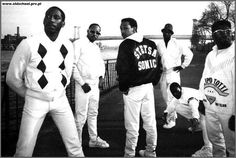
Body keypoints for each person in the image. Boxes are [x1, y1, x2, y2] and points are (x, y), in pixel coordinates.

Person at [6, 6, 84, 157]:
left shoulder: (67, 45)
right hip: (35, 102)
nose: (51, 20)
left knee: (75, 146)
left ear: (63, 23)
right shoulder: (28, 44)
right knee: (24, 150)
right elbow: (12, 78)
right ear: (43, 19)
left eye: (56, 17)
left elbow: (67, 72)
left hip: (61, 100)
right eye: (48, 16)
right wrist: (30, 94)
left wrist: (58, 90)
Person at [116, 17, 162, 157]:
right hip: (148, 88)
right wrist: (153, 81)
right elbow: (158, 66)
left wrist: (123, 87)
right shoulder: (151, 43)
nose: (122, 31)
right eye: (121, 28)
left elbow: (122, 69)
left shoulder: (125, 45)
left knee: (132, 125)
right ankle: (150, 151)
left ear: (134, 29)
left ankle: (129, 154)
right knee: (150, 122)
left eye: (125, 28)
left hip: (133, 89)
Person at [199, 19, 235, 157]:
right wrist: (202, 100)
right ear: (213, 36)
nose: (226, 34)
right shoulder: (210, 55)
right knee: (216, 142)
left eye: (228, 31)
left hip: (229, 109)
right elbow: (204, 78)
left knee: (233, 147)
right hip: (210, 105)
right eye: (221, 32)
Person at [73, 23, 109, 148]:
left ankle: (93, 140)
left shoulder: (96, 47)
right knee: (80, 116)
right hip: (84, 85)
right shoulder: (78, 44)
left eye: (97, 33)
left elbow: (101, 64)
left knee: (93, 113)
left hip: (94, 85)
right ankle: (76, 146)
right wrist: (82, 83)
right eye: (92, 31)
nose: (95, 34)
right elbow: (72, 65)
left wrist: (101, 77)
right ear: (88, 31)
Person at [156, 23, 193, 129]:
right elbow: (158, 58)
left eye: (168, 32)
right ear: (162, 32)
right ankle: (178, 116)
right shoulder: (159, 44)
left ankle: (172, 120)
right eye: (164, 32)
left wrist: (182, 66)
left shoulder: (177, 43)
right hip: (163, 73)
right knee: (165, 97)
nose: (166, 34)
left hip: (173, 73)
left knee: (173, 98)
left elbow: (189, 54)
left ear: (171, 33)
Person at [162, 82, 213, 157]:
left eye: (177, 93)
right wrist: (166, 113)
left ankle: (209, 149)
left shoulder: (189, 97)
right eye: (175, 94)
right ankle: (200, 125)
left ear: (181, 90)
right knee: (178, 107)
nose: (176, 95)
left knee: (203, 120)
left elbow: (194, 106)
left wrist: (195, 118)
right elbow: (173, 103)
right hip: (203, 104)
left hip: (208, 106)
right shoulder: (179, 93)